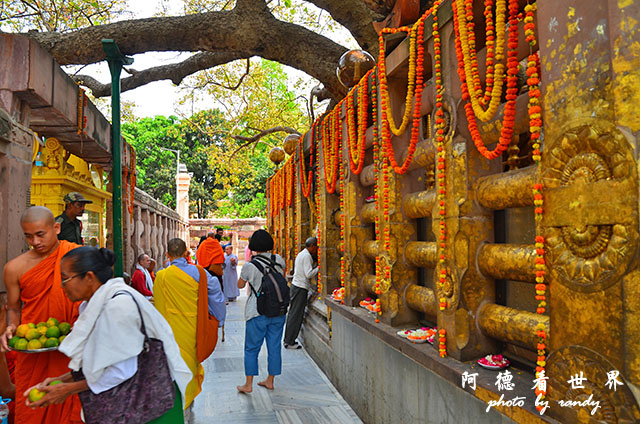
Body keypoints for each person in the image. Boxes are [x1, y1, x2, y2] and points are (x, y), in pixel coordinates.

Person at [26, 246, 192, 424]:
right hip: (132, 404)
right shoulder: (91, 305)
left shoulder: (118, 305)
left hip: (151, 405)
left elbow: (121, 371)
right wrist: (58, 381)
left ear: (89, 277)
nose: (62, 286)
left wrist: (67, 389)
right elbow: (101, 361)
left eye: (66, 279)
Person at [0, 206, 83, 423]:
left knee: (70, 409)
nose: (35, 242)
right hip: (32, 351)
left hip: (71, 346)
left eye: (40, 234)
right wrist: (11, 327)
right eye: (28, 236)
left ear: (56, 228)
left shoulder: (75, 257)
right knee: (33, 410)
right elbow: (14, 308)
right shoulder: (15, 268)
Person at [154, 238, 226, 419]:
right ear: (187, 253)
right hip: (194, 328)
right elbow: (216, 292)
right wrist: (219, 318)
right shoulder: (200, 273)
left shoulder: (162, 276)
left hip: (170, 330)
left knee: (174, 366)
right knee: (191, 364)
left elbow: (157, 306)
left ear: (167, 255)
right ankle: (188, 404)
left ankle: (179, 403)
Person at [236, 229, 287, 393]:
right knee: (274, 346)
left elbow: (240, 285)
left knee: (251, 348)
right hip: (278, 311)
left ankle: (248, 384)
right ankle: (270, 380)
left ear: (253, 247)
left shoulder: (250, 266)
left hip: (257, 312)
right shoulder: (279, 260)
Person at [283, 237, 319, 349]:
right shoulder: (307, 256)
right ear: (312, 246)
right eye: (316, 247)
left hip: (295, 285)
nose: (316, 250)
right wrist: (318, 268)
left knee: (293, 313)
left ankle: (288, 339)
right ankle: (290, 341)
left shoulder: (301, 254)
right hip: (300, 287)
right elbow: (308, 274)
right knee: (296, 315)